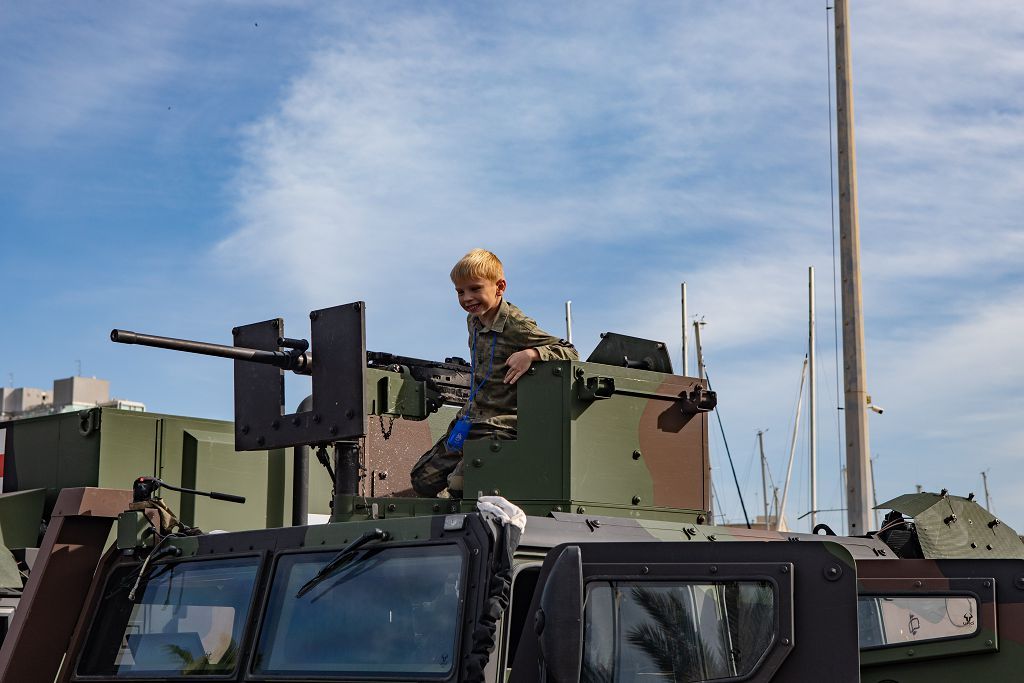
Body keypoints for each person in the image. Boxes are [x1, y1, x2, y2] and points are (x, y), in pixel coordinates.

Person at [410, 249, 578, 498]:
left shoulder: (515, 324)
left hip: (501, 424)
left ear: (499, 287)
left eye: (475, 289)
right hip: (471, 421)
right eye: (460, 291)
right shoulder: (474, 319)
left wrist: (532, 354)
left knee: (460, 484)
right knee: (422, 480)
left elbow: (570, 352)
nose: (467, 298)